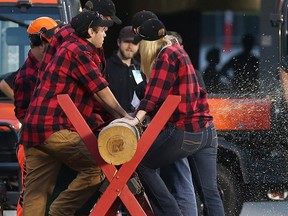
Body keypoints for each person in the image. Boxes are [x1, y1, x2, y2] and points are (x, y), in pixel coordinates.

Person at [20, 10, 130, 216]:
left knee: (36, 194)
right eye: (102, 30)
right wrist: (125, 116)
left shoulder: (68, 45)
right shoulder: (79, 51)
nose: (105, 35)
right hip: (54, 126)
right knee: (98, 167)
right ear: (90, 31)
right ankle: (59, 212)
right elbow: (100, 90)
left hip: (34, 127)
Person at [112, 18, 218, 216]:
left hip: (186, 131)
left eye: (140, 42)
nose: (138, 47)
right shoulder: (178, 51)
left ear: (149, 42)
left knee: (140, 164)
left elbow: (154, 94)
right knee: (209, 192)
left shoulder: (166, 56)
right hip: (207, 131)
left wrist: (136, 119)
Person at [10, 16, 61, 216]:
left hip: (48, 139)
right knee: (31, 195)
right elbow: (21, 113)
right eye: (51, 44)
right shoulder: (26, 76)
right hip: (33, 143)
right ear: (40, 45)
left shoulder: (48, 67)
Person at [104, 25, 146, 113]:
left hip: (135, 120)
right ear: (119, 42)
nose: (130, 46)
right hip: (110, 120)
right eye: (127, 42)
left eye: (134, 43)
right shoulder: (106, 66)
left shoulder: (139, 68)